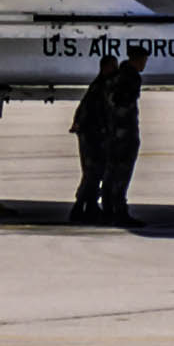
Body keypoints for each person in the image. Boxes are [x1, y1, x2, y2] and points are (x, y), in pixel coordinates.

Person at [103, 44, 150, 227]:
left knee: (111, 172)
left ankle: (108, 210)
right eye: (143, 60)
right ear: (137, 60)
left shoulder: (116, 76)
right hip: (124, 132)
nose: (144, 64)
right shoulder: (130, 78)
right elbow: (123, 105)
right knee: (121, 173)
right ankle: (119, 212)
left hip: (113, 132)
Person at [67, 55, 116, 223]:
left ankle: (89, 207)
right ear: (106, 67)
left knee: (94, 173)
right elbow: (91, 110)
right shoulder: (101, 87)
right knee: (93, 173)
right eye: (113, 66)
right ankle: (80, 207)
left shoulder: (100, 85)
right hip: (93, 136)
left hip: (93, 135)